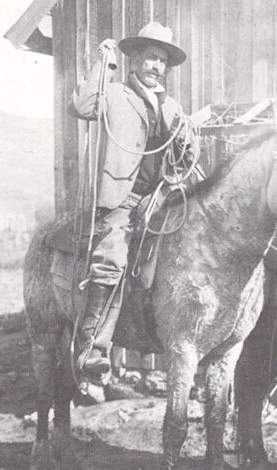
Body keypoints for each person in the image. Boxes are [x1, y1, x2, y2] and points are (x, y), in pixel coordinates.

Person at [70, 22, 195, 384]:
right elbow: (81, 105)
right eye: (150, 57)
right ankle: (93, 348)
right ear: (135, 58)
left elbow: (185, 156)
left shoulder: (172, 106)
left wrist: (188, 141)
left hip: (163, 197)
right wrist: (104, 64)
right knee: (112, 258)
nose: (156, 66)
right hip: (124, 198)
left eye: (161, 61)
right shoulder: (114, 94)